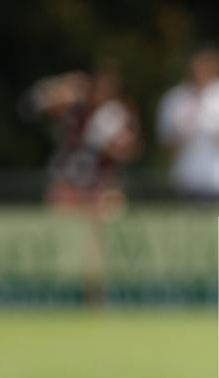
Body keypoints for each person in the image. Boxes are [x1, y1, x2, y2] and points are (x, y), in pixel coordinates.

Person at [24, 60, 140, 304]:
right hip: (69, 182)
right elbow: (32, 105)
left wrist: (110, 145)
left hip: (101, 185)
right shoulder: (76, 107)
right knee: (58, 236)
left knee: (99, 241)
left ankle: (97, 295)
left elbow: (129, 151)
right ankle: (52, 291)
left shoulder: (117, 112)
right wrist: (63, 85)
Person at [157, 47, 219, 200]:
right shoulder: (174, 98)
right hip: (185, 183)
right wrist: (184, 130)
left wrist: (218, 129)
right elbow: (165, 147)